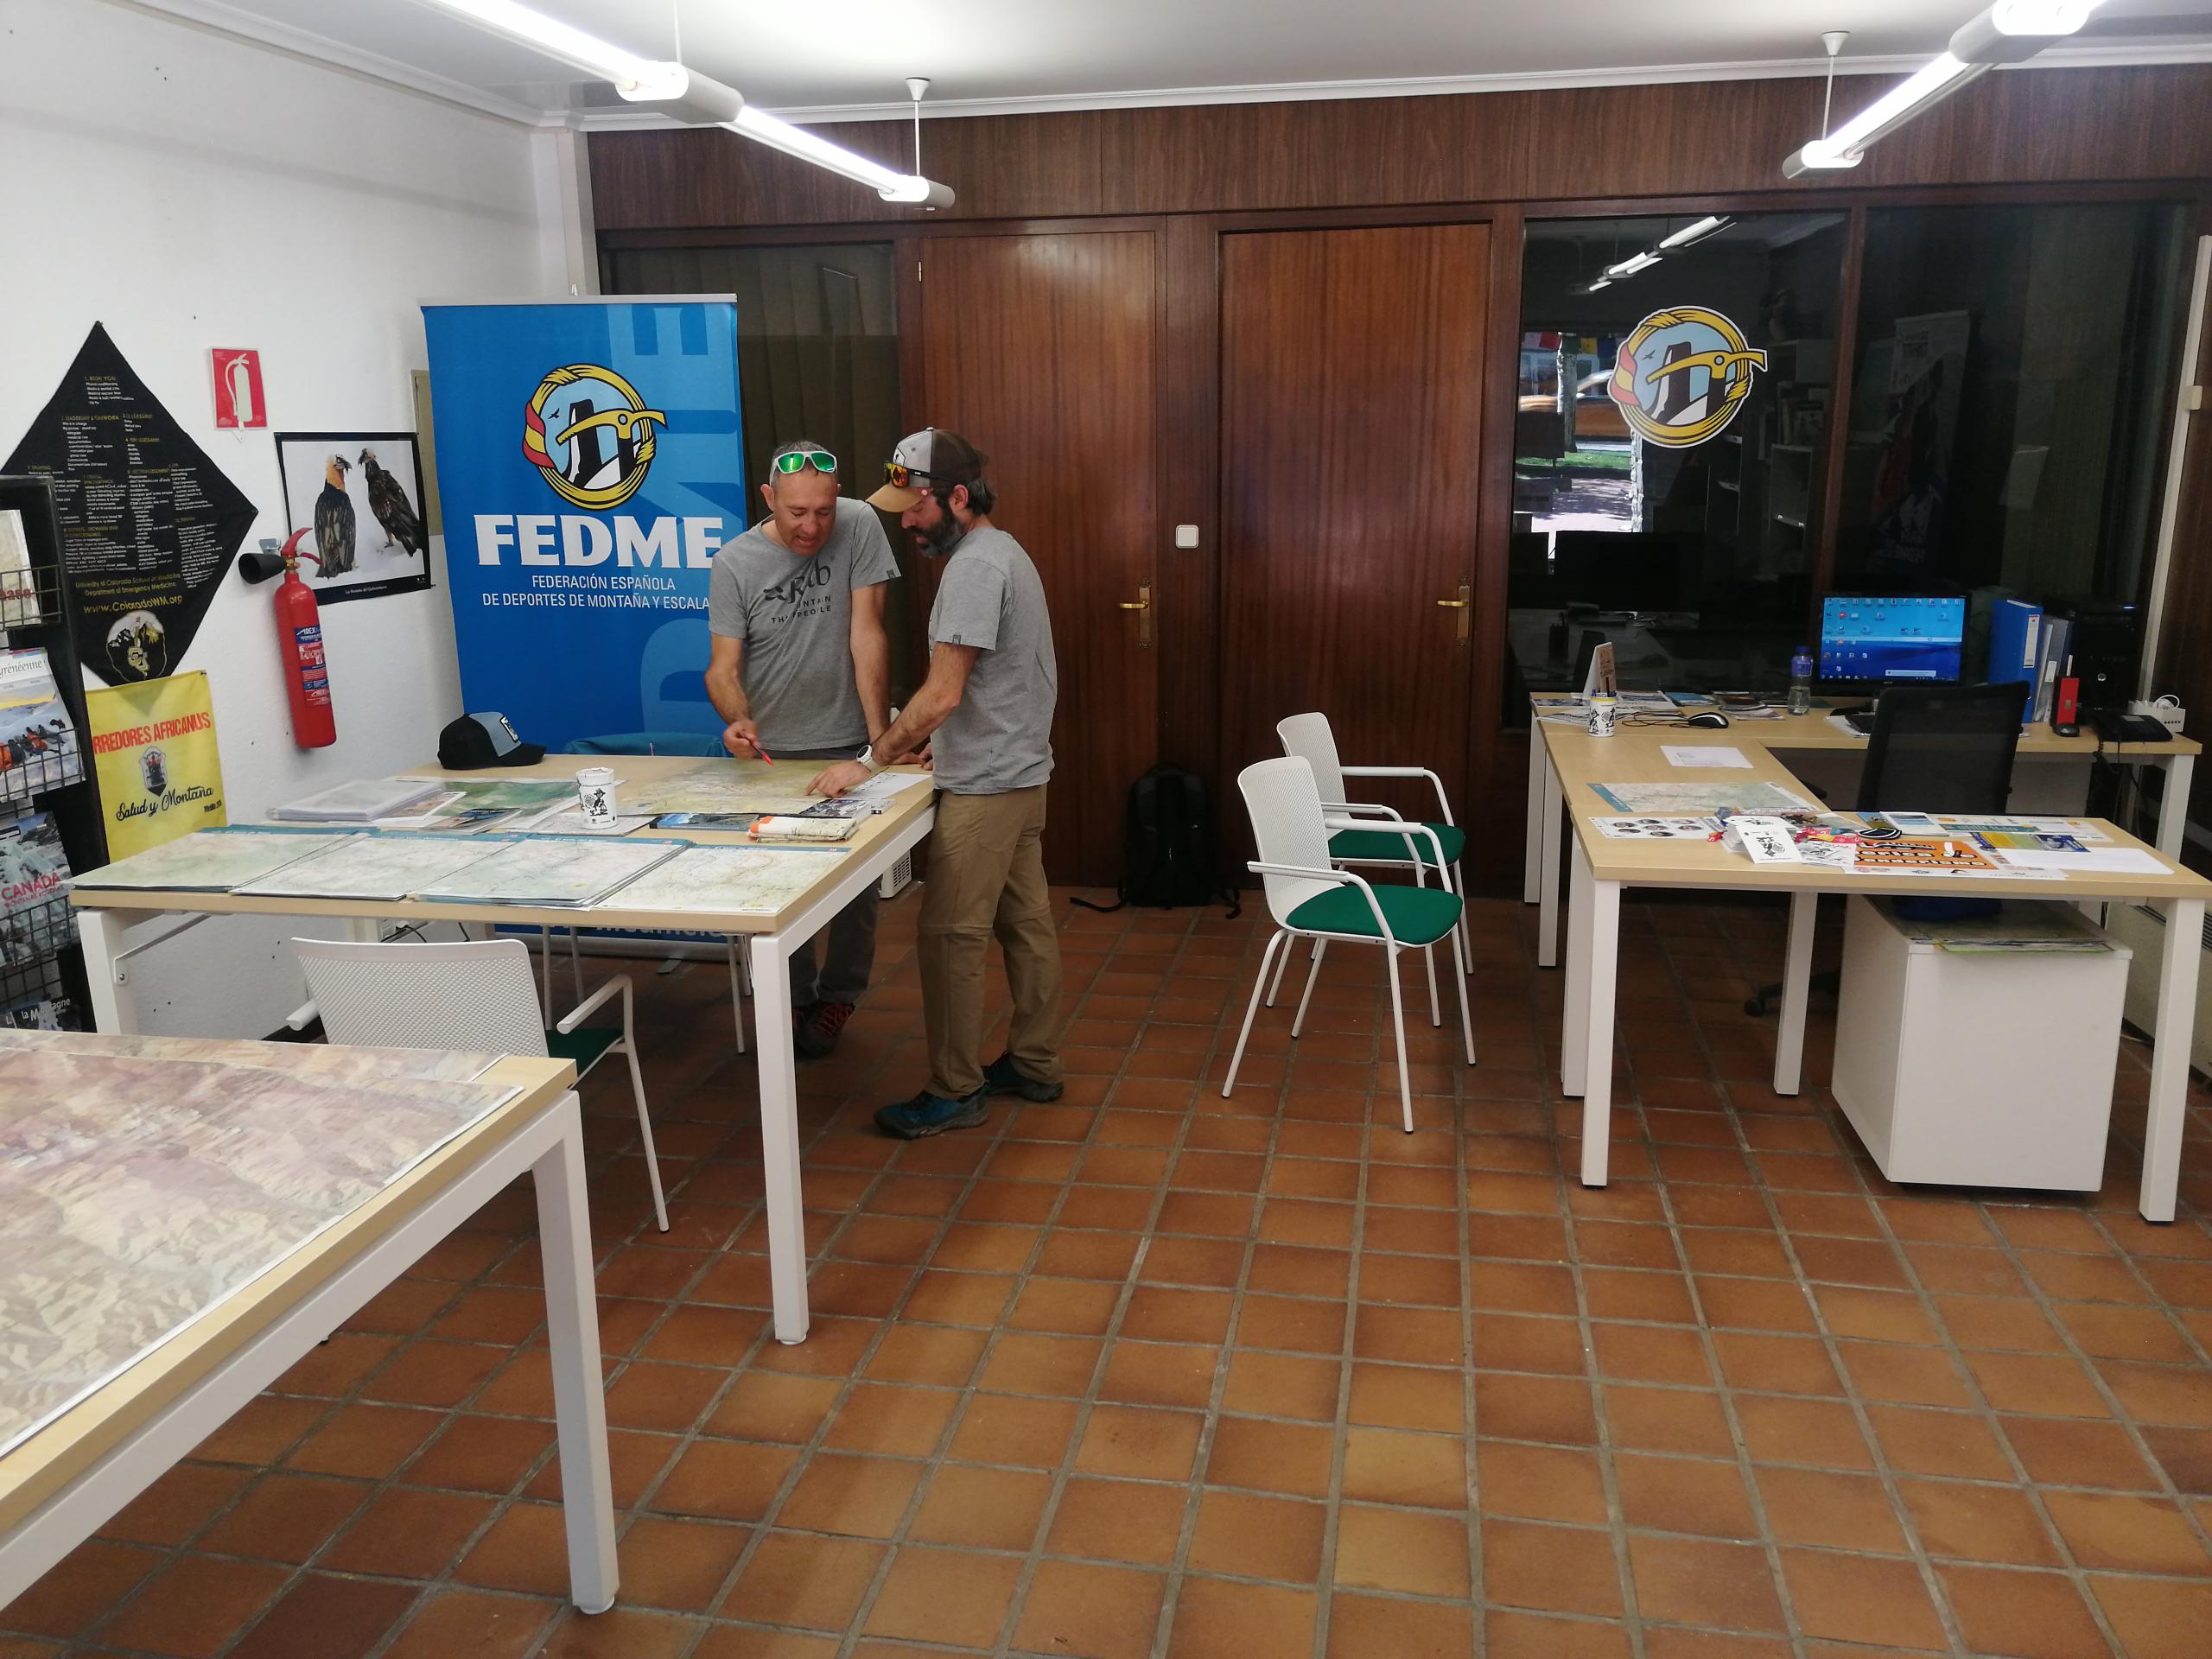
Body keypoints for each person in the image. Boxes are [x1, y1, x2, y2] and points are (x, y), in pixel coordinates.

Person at [807, 429, 1063, 1138]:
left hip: (986, 789)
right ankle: (1035, 1062)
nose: (906, 520)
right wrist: (935, 747)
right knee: (1026, 925)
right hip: (1019, 772)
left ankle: (956, 1088)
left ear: (956, 496)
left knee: (950, 936)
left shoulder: (975, 570)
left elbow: (944, 693)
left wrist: (873, 759)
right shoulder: (1006, 551)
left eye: (915, 506)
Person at [706, 439, 902, 1057]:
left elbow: (867, 632)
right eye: (797, 513)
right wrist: (737, 719)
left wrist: (879, 745)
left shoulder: (861, 524)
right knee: (775, 885)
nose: (813, 525)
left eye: (824, 510)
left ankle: (840, 993)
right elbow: (721, 667)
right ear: (769, 499)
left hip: (846, 745)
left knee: (856, 890)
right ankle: (792, 999)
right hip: (773, 755)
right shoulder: (733, 562)